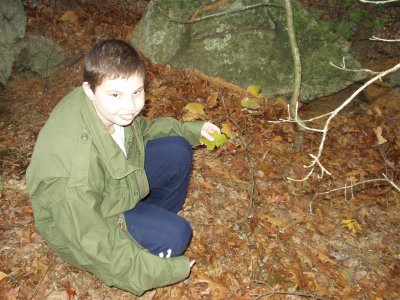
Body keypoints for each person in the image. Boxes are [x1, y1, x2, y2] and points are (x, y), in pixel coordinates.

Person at [26, 39, 220, 295]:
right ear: (89, 90)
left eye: (137, 92)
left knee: (176, 149)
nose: (130, 107)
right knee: (176, 236)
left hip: (110, 184)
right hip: (83, 219)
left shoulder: (106, 108)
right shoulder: (74, 171)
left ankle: (147, 221)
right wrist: (167, 270)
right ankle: (147, 234)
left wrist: (192, 131)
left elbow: (140, 131)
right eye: (116, 95)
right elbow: (92, 241)